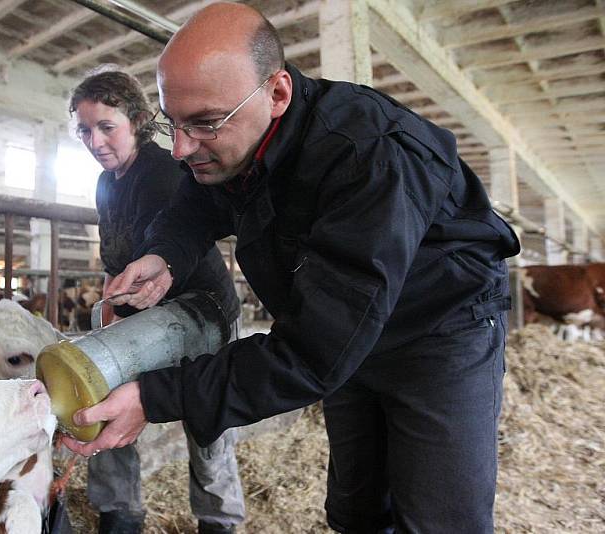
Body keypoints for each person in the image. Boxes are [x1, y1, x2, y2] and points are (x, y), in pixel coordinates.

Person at [64, 4, 520, 533]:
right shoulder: (236, 143)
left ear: (277, 94)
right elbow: (195, 204)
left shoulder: (366, 155)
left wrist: (155, 396)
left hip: (438, 332)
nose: (183, 148)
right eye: (173, 123)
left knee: (439, 518)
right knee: (357, 508)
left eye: (205, 124)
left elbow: (312, 351)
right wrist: (164, 255)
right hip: (346, 333)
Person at [69, 68, 246, 534]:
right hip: (141, 311)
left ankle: (219, 521)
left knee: (207, 417)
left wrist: (121, 313)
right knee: (101, 384)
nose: (94, 140)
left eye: (107, 126)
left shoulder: (162, 172)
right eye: (85, 129)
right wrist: (111, 307)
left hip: (199, 307)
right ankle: (118, 512)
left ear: (139, 121)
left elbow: (165, 267)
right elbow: (117, 257)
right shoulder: (106, 183)